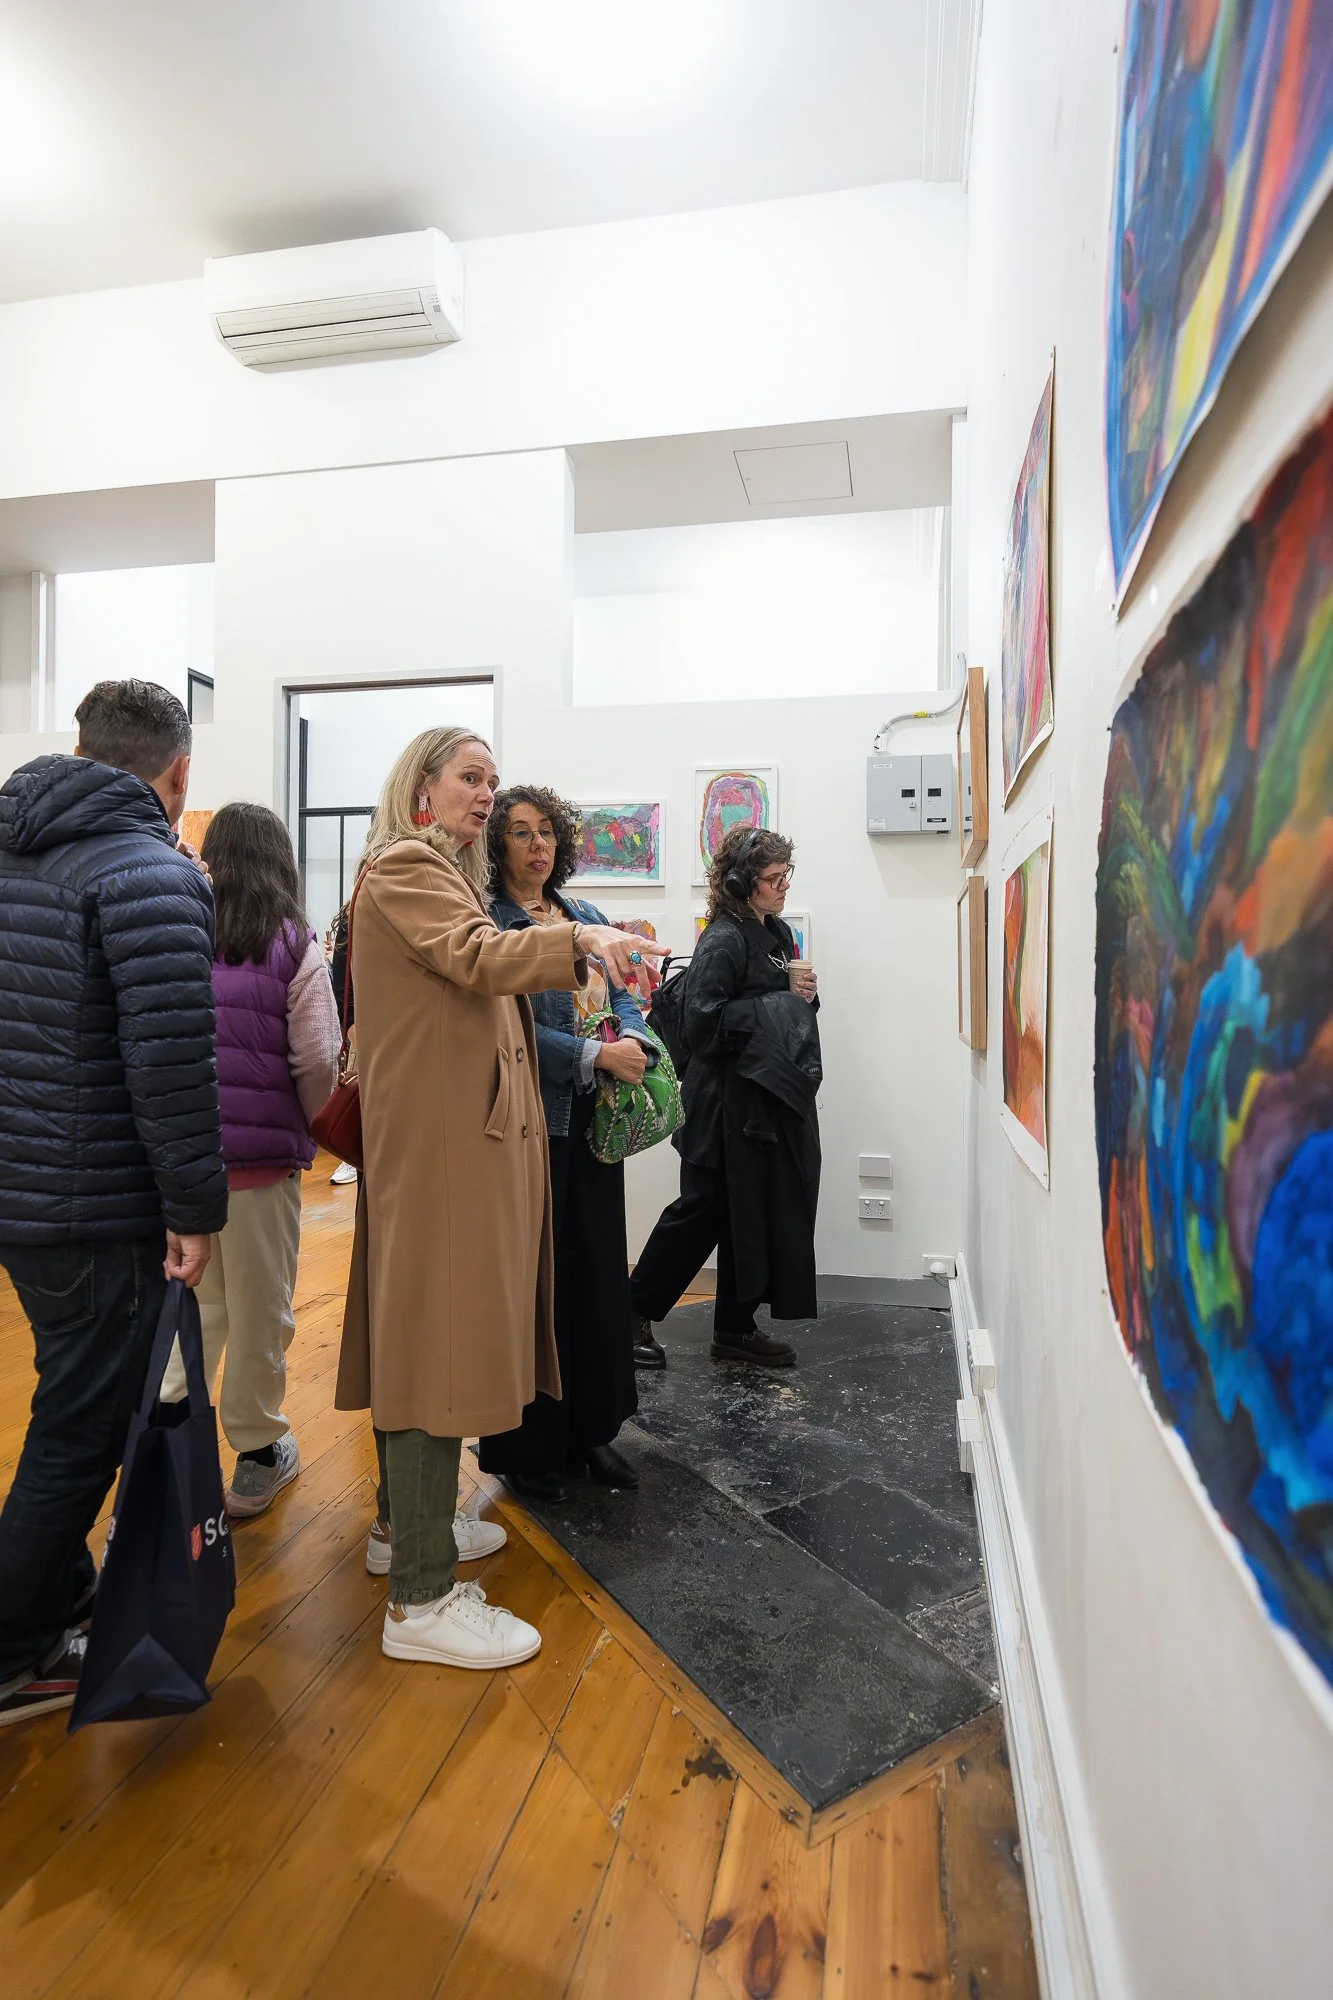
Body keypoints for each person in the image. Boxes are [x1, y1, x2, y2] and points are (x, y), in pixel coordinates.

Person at [334, 728, 666, 1671]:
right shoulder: (408, 865)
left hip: (451, 1149)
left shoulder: (430, 870)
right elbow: (479, 958)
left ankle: (406, 1534)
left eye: (490, 780)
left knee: (422, 1341)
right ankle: (422, 1596)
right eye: (468, 780)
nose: (485, 796)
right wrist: (584, 937)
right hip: (442, 1156)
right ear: (423, 789)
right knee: (437, 1353)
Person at [0, 679, 227, 1725]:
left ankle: (56, 1595)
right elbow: (171, 1066)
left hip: (26, 1193)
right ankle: (13, 1644)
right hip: (95, 1206)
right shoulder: (152, 871)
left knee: (68, 1397)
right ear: (176, 772)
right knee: (82, 1426)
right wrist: (196, 1208)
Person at [159, 803, 340, 1517]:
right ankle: (259, 1453)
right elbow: (318, 1056)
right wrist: (310, 1126)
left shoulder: (180, 930)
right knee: (263, 1314)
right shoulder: (293, 941)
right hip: (263, 1170)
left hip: (184, 1163)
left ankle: (169, 1441)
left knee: (197, 1309)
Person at [480, 787, 652, 1500]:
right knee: (535, 1288)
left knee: (597, 1282)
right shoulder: (493, 925)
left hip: (595, 1123)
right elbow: (504, 1034)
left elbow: (624, 995)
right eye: (519, 833)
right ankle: (530, 1449)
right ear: (497, 846)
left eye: (545, 831)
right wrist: (592, 1059)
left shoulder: (584, 917)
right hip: (532, 1125)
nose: (536, 845)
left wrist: (636, 1035)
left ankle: (595, 1432)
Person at [631, 825, 821, 1368]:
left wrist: (800, 999)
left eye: (787, 874)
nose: (783, 885)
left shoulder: (776, 934)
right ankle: (630, 1313)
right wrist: (778, 1003)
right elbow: (701, 1026)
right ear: (741, 883)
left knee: (750, 1213)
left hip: (762, 1100)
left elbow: (783, 1010)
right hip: (721, 1105)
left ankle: (734, 1329)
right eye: (772, 877)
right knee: (700, 1213)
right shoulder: (723, 939)